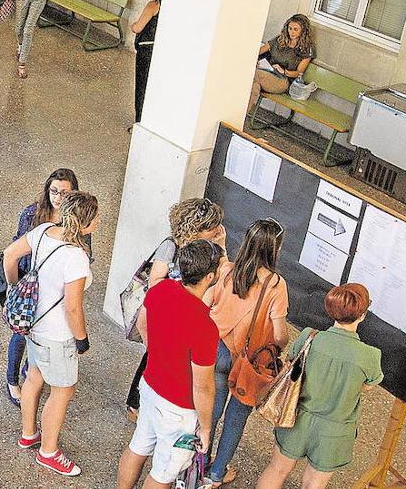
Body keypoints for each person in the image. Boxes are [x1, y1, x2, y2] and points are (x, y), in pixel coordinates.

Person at [2, 192, 99, 477]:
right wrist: (82, 338)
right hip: (57, 334)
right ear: (84, 222)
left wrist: (14, 288)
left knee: (34, 377)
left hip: (32, 323)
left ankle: (28, 433)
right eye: (96, 217)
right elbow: (72, 307)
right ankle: (49, 451)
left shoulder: (43, 231)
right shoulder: (77, 257)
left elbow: (9, 254)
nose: (99, 221)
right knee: (62, 391)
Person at [116, 240, 223, 489]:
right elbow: (203, 387)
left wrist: (159, 354)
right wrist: (206, 429)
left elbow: (142, 324)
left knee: (137, 447)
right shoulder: (205, 326)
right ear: (209, 277)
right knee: (163, 473)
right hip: (178, 409)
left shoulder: (161, 289)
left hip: (150, 384)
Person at [254, 284, 382, 489]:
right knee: (314, 484)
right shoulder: (370, 355)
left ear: (331, 310)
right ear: (363, 315)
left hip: (295, 418)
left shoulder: (309, 337)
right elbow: (368, 386)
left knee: (277, 470)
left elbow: (291, 363)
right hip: (334, 431)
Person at [203, 220, 289, 489]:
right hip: (250, 362)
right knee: (235, 420)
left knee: (210, 411)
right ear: (275, 248)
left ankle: (198, 461)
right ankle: (216, 473)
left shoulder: (227, 271)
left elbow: (205, 304)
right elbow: (279, 335)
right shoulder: (276, 285)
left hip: (216, 349)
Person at [127, 197, 227, 415]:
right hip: (168, 313)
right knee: (151, 358)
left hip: (185, 314)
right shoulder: (170, 247)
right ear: (197, 228)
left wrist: (221, 245)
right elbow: (155, 282)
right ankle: (135, 402)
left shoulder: (205, 250)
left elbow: (223, 271)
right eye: (212, 228)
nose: (217, 231)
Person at [4, 169, 81, 405]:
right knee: (20, 335)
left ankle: (32, 370)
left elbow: (85, 252)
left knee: (44, 335)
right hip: (31, 285)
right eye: (53, 191)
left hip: (57, 289)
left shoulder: (77, 219)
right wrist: (14, 286)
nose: (57, 197)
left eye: (63, 193)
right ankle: (12, 379)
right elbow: (15, 250)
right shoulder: (32, 213)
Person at [249, 14, 315, 115]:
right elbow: (259, 51)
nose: (291, 32)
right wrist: (254, 61)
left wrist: (283, 71)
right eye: (290, 28)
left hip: (282, 80)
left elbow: (298, 73)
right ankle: (241, 118)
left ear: (303, 31)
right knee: (254, 87)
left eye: (296, 29)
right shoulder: (280, 39)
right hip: (267, 72)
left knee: (252, 74)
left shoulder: (306, 49)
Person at [131, 0, 166, 125]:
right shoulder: (177, 8)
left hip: (147, 50)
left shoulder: (154, 5)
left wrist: (132, 25)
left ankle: (139, 121)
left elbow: (138, 28)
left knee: (142, 85)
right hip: (163, 51)